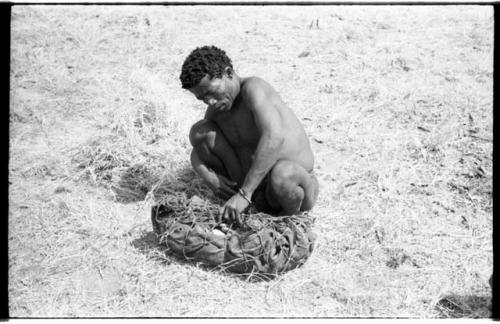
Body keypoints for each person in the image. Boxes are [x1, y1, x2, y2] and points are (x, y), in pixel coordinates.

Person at [180, 45, 319, 226]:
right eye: (202, 99)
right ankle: (250, 210)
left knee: (283, 175)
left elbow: (274, 138)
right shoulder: (219, 110)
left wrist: (244, 194)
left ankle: (285, 222)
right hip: (256, 191)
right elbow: (198, 152)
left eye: (212, 93)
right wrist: (208, 176)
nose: (210, 102)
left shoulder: (253, 89)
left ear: (228, 73)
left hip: (292, 185)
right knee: (200, 132)